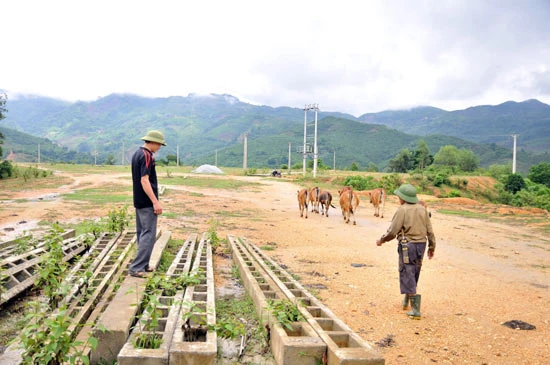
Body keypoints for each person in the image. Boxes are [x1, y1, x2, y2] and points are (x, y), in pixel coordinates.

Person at [376, 183, 436, 319]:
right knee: (414, 272)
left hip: (407, 246)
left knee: (407, 272)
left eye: (399, 197)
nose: (398, 199)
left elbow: (392, 231)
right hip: (422, 245)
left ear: (403, 198)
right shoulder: (423, 210)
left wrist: (382, 240)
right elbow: (430, 231)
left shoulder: (402, 210)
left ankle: (416, 311)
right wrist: (432, 247)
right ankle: (406, 302)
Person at [128, 130, 166, 278]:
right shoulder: (147, 156)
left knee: (142, 233)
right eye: (159, 145)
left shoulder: (137, 153)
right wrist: (155, 202)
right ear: (153, 142)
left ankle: (143, 265)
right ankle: (136, 267)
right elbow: (145, 180)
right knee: (148, 234)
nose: (160, 148)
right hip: (146, 202)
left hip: (138, 200)